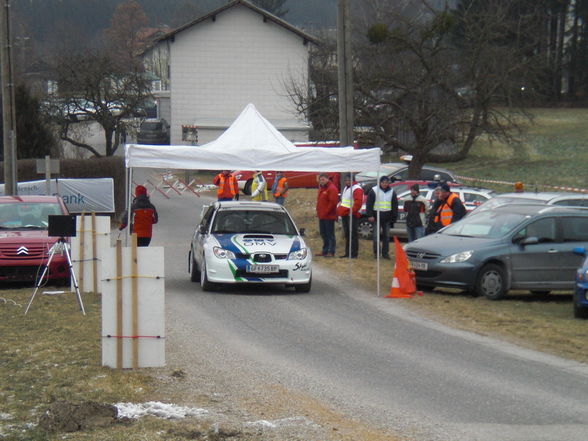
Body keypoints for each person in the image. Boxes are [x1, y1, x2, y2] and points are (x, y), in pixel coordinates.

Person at [365, 176, 398, 259]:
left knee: (386, 236)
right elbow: (369, 204)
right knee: (376, 236)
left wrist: (394, 217)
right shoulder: (374, 190)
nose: (385, 184)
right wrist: (370, 215)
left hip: (387, 217)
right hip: (376, 216)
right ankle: (376, 253)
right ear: (380, 182)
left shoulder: (392, 192)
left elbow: (394, 205)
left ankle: (385, 253)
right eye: (383, 182)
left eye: (386, 182)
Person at [337, 174, 363, 258]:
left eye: (349, 180)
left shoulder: (356, 189)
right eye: (346, 180)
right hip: (345, 214)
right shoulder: (346, 188)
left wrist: (351, 212)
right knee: (347, 234)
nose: (347, 181)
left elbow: (358, 202)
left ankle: (354, 253)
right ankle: (347, 252)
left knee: (353, 234)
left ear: (353, 180)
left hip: (352, 215)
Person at [315, 173, 338, 257]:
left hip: (328, 216)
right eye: (320, 180)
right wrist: (318, 211)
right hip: (322, 215)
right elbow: (320, 202)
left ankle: (331, 251)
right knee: (323, 233)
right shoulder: (322, 188)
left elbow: (333, 203)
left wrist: (326, 212)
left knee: (330, 234)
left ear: (327, 179)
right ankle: (325, 250)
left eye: (323, 179)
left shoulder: (331, 188)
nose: (322, 181)